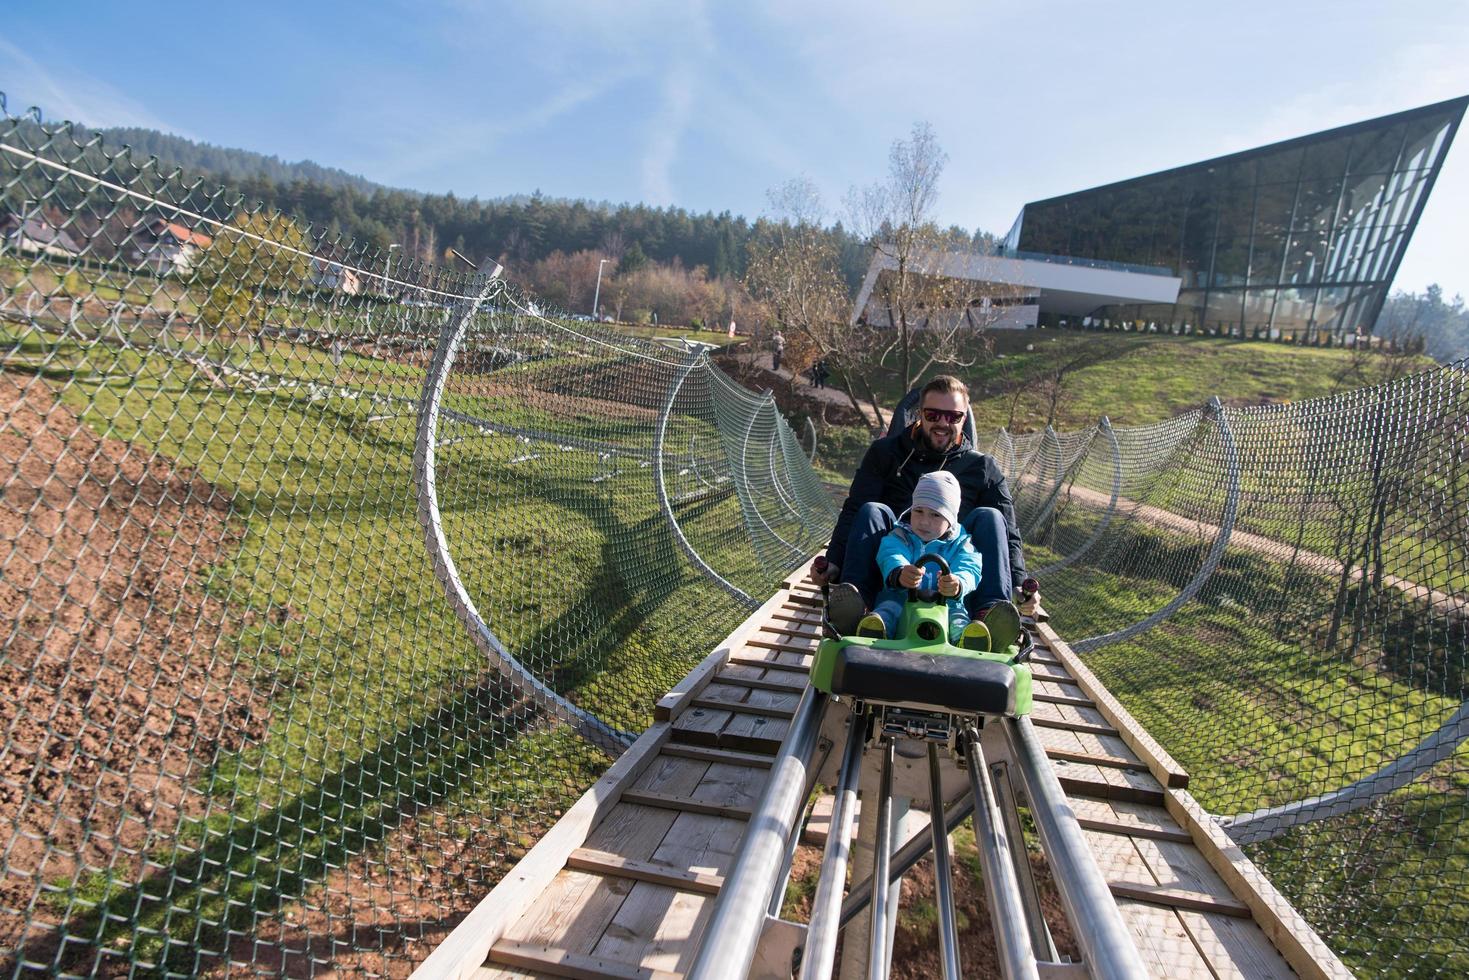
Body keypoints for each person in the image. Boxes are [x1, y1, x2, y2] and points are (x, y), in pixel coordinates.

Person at [813, 374, 1034, 650]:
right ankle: (859, 607)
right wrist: (833, 559)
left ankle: (990, 618)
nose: (943, 423)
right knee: (872, 510)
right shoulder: (886, 453)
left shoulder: (982, 468)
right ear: (920, 415)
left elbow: (1009, 532)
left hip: (955, 570)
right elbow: (855, 510)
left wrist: (1019, 582)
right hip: (894, 565)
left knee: (992, 516)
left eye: (953, 416)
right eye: (933, 414)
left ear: (963, 419)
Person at [855, 471, 992, 650]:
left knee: (958, 617)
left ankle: (966, 640)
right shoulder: (901, 535)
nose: (924, 522)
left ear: (950, 519)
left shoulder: (961, 543)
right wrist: (899, 571)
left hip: (947, 603)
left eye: (935, 515)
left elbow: (970, 565)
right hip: (902, 598)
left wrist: (958, 583)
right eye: (918, 511)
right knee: (888, 609)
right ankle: (876, 631)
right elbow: (890, 552)